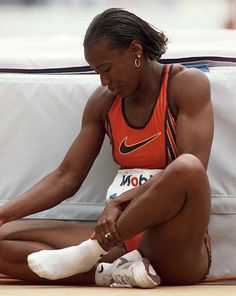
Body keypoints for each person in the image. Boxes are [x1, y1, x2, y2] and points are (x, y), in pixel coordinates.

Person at [0, 8, 213, 288]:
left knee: (187, 167)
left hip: (172, 244)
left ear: (135, 51)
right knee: (4, 237)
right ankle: (113, 274)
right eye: (97, 72)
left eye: (106, 69)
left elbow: (193, 169)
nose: (104, 81)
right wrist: (4, 214)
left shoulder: (185, 85)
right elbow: (66, 177)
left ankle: (90, 256)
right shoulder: (104, 101)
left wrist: (120, 202)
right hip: (119, 240)